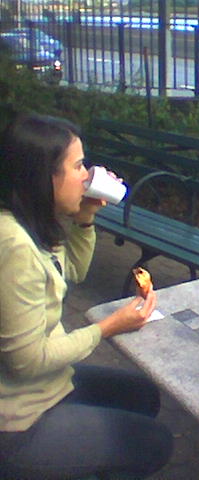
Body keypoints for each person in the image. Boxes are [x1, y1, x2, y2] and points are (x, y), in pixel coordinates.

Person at [0, 113, 173, 479]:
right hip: (17, 421)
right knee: (156, 443)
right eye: (78, 165)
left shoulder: (34, 220)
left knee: (143, 395)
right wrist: (107, 327)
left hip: (48, 384)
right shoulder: (13, 244)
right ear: (45, 177)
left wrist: (85, 218)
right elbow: (27, 361)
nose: (88, 175)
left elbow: (73, 272)